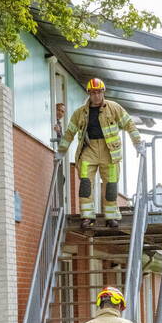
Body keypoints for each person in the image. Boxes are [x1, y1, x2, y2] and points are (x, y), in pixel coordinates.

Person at [57, 78, 143, 229]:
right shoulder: (80, 113)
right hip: (88, 149)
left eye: (98, 92)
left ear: (103, 92)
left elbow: (129, 124)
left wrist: (137, 143)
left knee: (110, 185)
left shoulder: (114, 108)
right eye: (93, 93)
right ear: (89, 94)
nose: (96, 96)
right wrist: (61, 151)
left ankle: (111, 217)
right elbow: (70, 132)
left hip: (109, 151)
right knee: (85, 184)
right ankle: (87, 217)